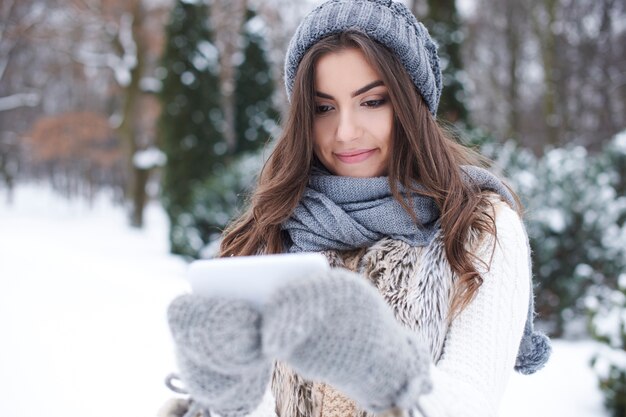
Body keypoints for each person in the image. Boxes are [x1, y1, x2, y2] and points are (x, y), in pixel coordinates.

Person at [164, 0, 552, 416]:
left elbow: (472, 403)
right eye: (323, 108)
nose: (346, 132)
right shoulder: (276, 226)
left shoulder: (479, 227)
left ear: (411, 104)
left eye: (373, 101)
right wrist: (217, 402)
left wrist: (385, 368)